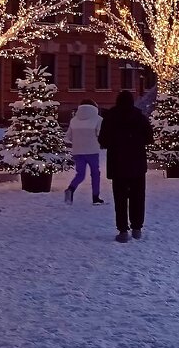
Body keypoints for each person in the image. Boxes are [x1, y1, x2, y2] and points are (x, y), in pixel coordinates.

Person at [98, 90, 154, 243]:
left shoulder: (109, 118)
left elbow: (103, 140)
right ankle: (137, 228)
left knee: (120, 198)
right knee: (138, 196)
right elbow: (150, 138)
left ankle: (123, 230)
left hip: (118, 164)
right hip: (137, 164)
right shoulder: (140, 117)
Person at [64, 99, 105, 205]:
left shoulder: (74, 120)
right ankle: (95, 197)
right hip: (92, 151)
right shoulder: (98, 119)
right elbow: (100, 135)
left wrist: (78, 141)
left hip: (78, 151)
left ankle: (71, 189)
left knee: (80, 174)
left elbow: (68, 137)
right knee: (95, 174)